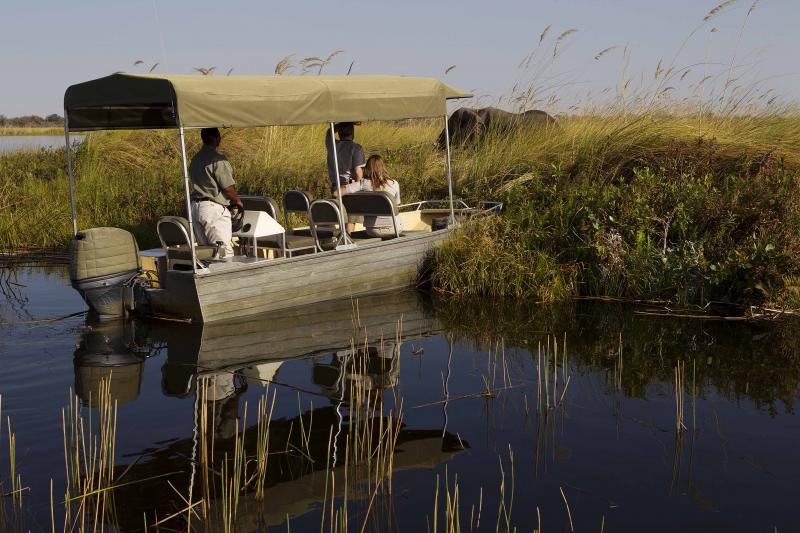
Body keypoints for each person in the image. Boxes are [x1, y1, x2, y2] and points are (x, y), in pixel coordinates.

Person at [188, 128, 243, 259]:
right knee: (223, 252)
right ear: (217, 138)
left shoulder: (195, 159)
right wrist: (237, 200)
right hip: (213, 209)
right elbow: (228, 187)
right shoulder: (217, 159)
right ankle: (227, 279)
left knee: (206, 252)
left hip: (195, 208)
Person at [325, 122, 366, 234]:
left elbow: (329, 132)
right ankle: (349, 241)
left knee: (341, 217)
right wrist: (359, 186)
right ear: (352, 133)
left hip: (335, 186)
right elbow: (358, 172)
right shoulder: (356, 148)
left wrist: (340, 124)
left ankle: (343, 239)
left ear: (339, 132)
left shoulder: (332, 145)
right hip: (349, 185)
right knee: (350, 219)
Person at [361, 155, 403, 237]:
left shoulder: (362, 184)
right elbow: (397, 204)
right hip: (393, 228)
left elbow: (339, 192)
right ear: (383, 167)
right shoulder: (394, 183)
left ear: (367, 168)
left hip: (371, 230)